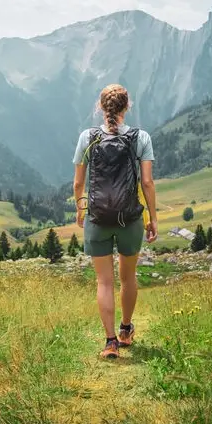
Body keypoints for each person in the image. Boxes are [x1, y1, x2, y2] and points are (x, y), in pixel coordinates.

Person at [72, 84, 158, 359]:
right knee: (128, 277)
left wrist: (81, 209)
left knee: (104, 282)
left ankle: (110, 343)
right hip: (129, 219)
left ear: (101, 107)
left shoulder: (88, 137)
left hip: (97, 218)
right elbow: (147, 182)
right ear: (127, 107)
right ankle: (125, 330)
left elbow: (78, 183)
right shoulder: (140, 137)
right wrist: (152, 218)